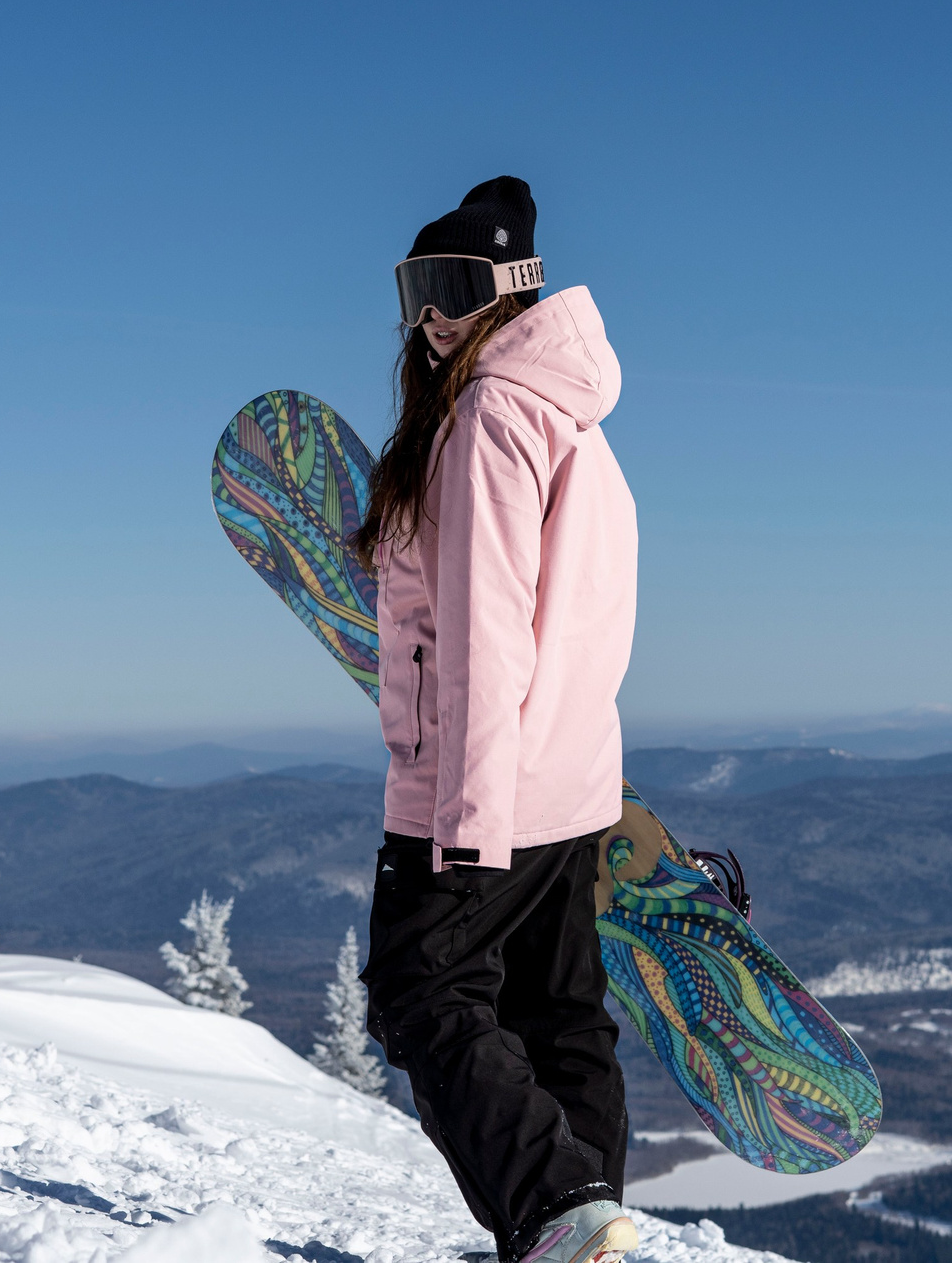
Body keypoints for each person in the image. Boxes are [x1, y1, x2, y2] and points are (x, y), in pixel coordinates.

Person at [351, 177, 641, 1263]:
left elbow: (483, 636)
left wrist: (465, 817)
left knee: (421, 994)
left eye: (455, 288)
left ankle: (560, 1219)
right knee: (553, 1013)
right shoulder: (579, 425)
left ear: (511, 291)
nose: (431, 316)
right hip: (569, 781)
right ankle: (584, 1224)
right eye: (417, 288)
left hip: (482, 783)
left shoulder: (487, 420)